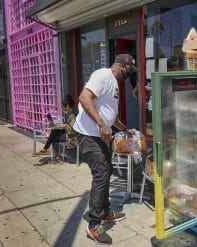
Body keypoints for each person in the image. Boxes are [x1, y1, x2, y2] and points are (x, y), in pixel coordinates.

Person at [73, 54, 136, 244]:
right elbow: (84, 97)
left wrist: (122, 128)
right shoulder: (103, 75)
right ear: (123, 66)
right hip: (90, 135)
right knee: (101, 174)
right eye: (130, 70)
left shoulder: (114, 83)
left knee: (106, 171)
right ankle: (94, 225)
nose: (129, 75)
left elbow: (107, 111)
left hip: (101, 136)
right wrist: (101, 125)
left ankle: (105, 212)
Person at [35, 95, 77, 164]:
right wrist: (61, 125)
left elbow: (73, 129)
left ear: (67, 106)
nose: (62, 108)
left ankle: (47, 150)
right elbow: (68, 124)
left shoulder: (74, 114)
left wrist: (63, 125)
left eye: (63, 107)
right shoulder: (70, 113)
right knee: (54, 132)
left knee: (54, 137)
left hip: (72, 137)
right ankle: (53, 155)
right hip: (69, 133)